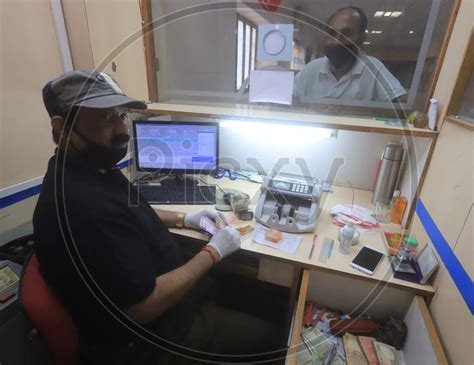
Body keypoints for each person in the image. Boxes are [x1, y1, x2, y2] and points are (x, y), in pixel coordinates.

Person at [33, 70, 281, 364]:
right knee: (274, 335)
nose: (122, 129)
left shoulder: (90, 170)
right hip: (151, 338)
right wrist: (214, 252)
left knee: (257, 293)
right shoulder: (81, 206)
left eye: (121, 115)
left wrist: (184, 219)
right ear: (62, 128)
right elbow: (142, 308)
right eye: (104, 117)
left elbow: (131, 208)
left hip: (172, 299)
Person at [294, 7, 406, 102]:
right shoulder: (312, 69)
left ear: (361, 39)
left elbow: (401, 105)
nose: (336, 41)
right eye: (332, 33)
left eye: (346, 34)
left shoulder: (372, 68)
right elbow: (288, 100)